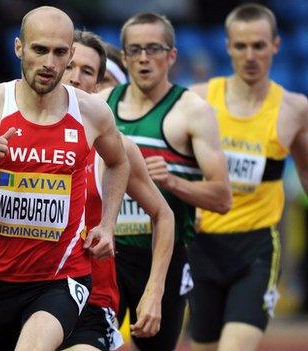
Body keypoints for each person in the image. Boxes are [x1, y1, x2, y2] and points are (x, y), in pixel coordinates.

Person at [0, 6, 131, 351]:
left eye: (60, 52)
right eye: (40, 50)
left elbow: (119, 162)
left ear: (70, 55)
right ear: (19, 48)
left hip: (61, 278)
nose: (49, 62)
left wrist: (107, 224)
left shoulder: (92, 113)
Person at [96, 12, 232, 351]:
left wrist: (172, 182)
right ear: (123, 57)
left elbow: (222, 198)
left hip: (162, 259)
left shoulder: (193, 112)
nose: (144, 58)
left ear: (172, 55)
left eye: (154, 49)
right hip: (105, 255)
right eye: (135, 50)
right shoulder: (100, 107)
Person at [189, 4, 308, 351]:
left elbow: (304, 168)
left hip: (255, 249)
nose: (250, 55)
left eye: (259, 45)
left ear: (276, 45)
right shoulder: (198, 100)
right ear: (227, 46)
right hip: (202, 246)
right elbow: (170, 164)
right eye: (241, 46)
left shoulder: (293, 109)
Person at [60, 29, 174, 351]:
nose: (75, 78)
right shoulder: (14, 133)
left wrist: (154, 291)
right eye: (69, 66)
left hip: (91, 300)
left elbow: (163, 214)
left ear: (97, 85)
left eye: (87, 72)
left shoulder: (118, 150)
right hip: (22, 290)